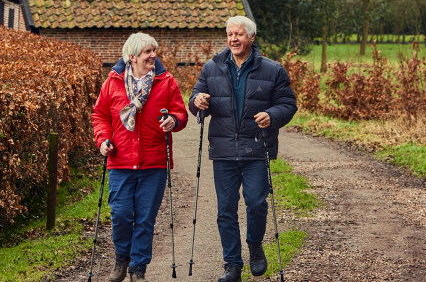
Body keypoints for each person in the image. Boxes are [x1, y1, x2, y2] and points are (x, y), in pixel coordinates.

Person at [188, 16, 297, 282]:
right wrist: (198, 101)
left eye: (238, 34)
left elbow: (288, 104)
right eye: (229, 34)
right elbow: (194, 100)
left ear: (251, 37)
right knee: (225, 210)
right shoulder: (212, 67)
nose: (233, 39)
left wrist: (272, 115)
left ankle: (255, 245)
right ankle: (232, 266)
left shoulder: (273, 70)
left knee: (257, 204)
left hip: (257, 148)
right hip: (223, 150)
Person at [92, 33, 188, 282]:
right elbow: (100, 114)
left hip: (154, 162)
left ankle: (138, 269)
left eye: (154, 51)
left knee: (145, 219)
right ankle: (122, 257)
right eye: (147, 52)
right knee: (121, 215)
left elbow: (181, 113)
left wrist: (174, 120)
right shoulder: (112, 82)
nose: (153, 55)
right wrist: (103, 140)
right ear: (132, 57)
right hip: (120, 161)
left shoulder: (165, 82)